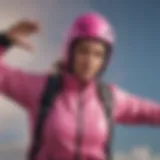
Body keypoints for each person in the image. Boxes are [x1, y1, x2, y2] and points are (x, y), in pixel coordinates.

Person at [0, 12, 160, 160]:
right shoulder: (42, 88)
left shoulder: (110, 98)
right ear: (70, 52)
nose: (90, 61)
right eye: (83, 51)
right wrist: (4, 41)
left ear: (105, 60)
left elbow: (152, 112)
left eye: (98, 54)